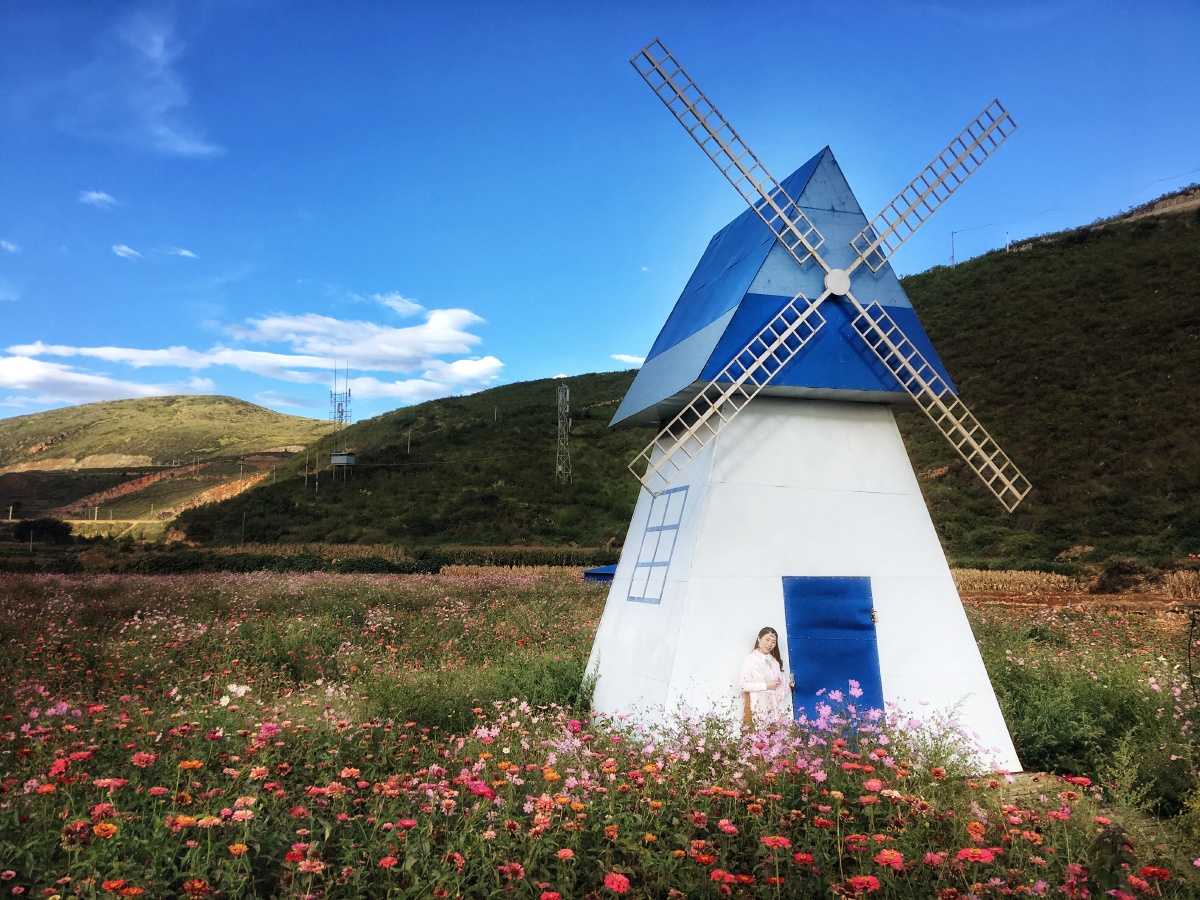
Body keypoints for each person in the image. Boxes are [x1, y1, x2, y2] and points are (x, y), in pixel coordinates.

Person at [739, 626, 792, 729]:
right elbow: (743, 685)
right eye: (767, 640)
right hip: (756, 706)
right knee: (757, 741)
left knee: (774, 742)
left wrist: (790, 685)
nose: (769, 644)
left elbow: (782, 687)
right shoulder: (750, 660)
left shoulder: (775, 662)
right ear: (759, 639)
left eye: (773, 642)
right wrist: (766, 686)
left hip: (773, 709)